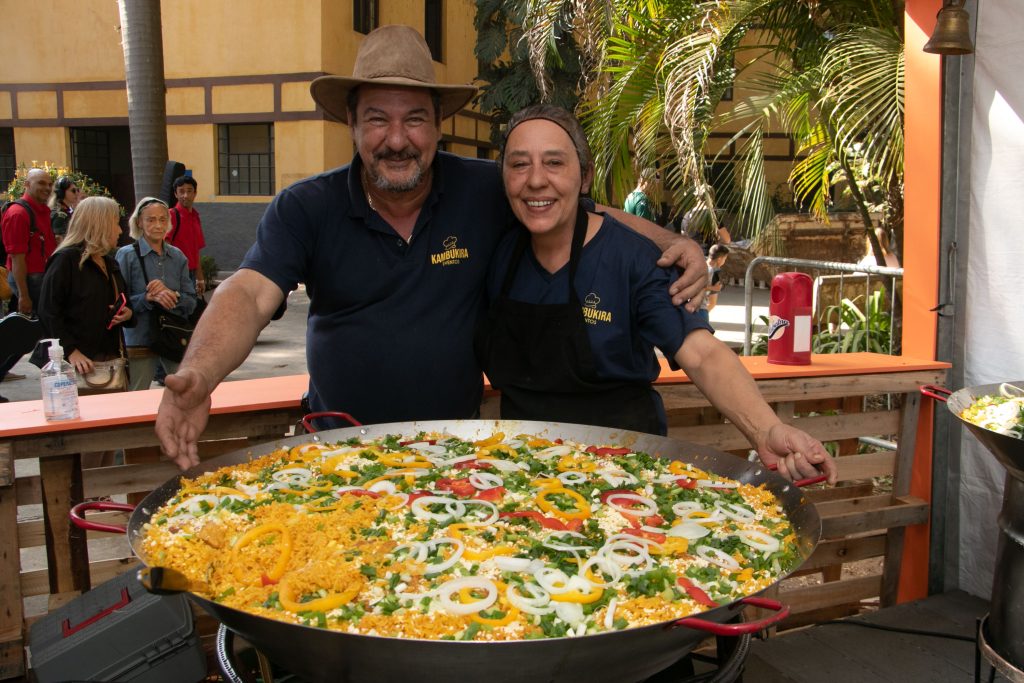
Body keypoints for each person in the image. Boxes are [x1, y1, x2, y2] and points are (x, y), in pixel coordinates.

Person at [155, 24, 707, 470]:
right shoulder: (306, 206)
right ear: (350, 122)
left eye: (414, 118)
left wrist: (672, 241)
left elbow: (574, 209)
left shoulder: (485, 189)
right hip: (339, 456)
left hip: (459, 457)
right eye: (377, 118)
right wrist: (200, 376)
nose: (397, 139)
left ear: (437, 124)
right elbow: (249, 294)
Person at [475, 105, 836, 484]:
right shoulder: (497, 251)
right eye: (519, 165)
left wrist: (765, 430)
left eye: (554, 163)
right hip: (522, 470)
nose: (535, 180)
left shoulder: (635, 259)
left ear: (584, 178)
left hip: (624, 471)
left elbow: (701, 353)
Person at [37, 197, 133, 465]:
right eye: (115, 223)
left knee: (108, 435)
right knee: (87, 440)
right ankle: (85, 498)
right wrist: (71, 351)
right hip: (78, 366)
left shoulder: (108, 262)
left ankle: (99, 498)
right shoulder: (66, 260)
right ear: (100, 224)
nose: (120, 230)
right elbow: (47, 311)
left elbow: (123, 300)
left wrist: (128, 313)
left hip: (109, 361)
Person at [115, 198, 196, 391]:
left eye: (162, 219)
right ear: (139, 223)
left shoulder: (177, 256)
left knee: (186, 390)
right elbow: (119, 303)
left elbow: (191, 302)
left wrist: (171, 295)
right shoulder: (127, 255)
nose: (157, 225)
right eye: (150, 220)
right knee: (136, 394)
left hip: (172, 336)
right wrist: (147, 298)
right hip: (139, 338)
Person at [1, 168, 58, 388]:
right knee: (33, 330)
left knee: (28, 331)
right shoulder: (18, 213)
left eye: (49, 183)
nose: (46, 187)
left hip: (39, 278)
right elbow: (17, 257)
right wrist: (24, 295)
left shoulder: (40, 210)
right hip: (30, 280)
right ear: (27, 184)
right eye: (40, 183)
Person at [167, 175, 207, 297]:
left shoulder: (195, 217)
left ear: (195, 193)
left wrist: (200, 278)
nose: (186, 195)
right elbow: (165, 246)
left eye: (189, 191)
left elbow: (196, 250)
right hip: (177, 274)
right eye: (181, 191)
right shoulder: (171, 215)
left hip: (191, 273)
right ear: (175, 194)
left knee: (191, 309)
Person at [697, 243, 730, 323]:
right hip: (700, 308)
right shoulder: (713, 272)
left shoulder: (698, 264)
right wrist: (714, 288)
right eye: (724, 259)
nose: (724, 262)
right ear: (719, 259)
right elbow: (712, 303)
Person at [49, 175, 82, 245]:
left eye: (77, 190)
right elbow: (58, 238)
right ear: (61, 193)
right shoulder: (60, 214)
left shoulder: (68, 209)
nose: (76, 193)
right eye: (73, 191)